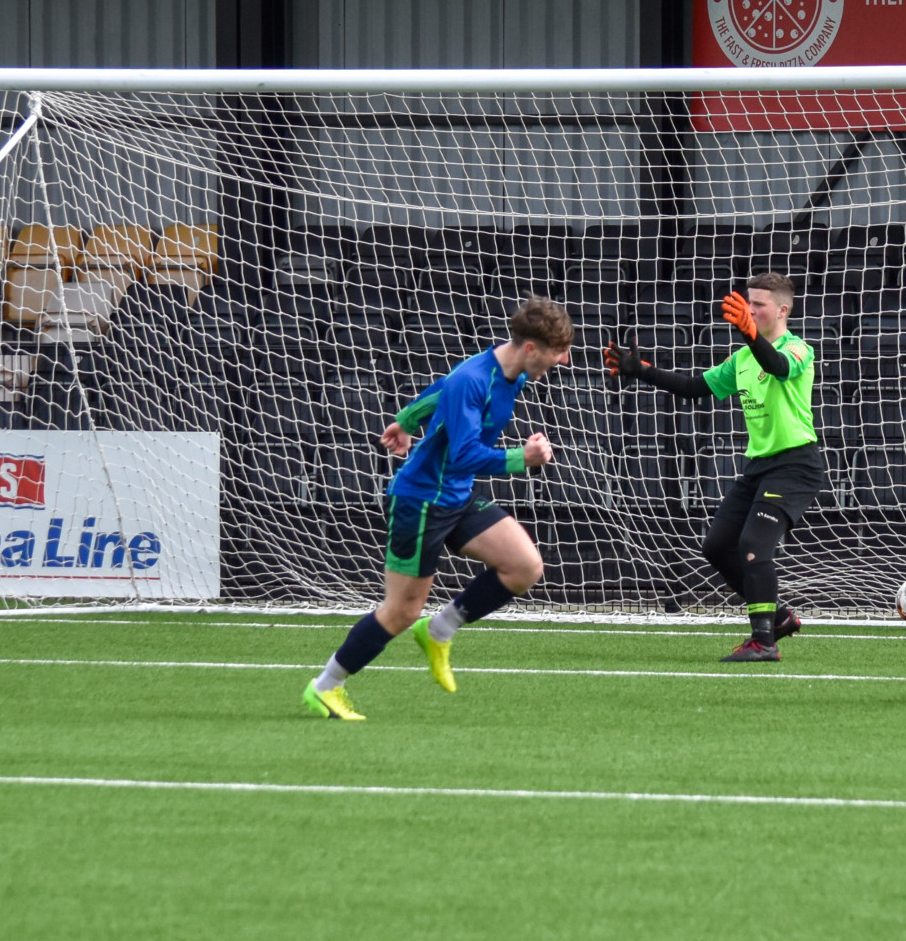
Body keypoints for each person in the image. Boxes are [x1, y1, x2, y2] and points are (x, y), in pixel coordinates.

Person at [302, 296, 575, 720]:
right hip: (420, 501)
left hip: (456, 496)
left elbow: (441, 391)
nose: (565, 359)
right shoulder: (475, 378)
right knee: (400, 611)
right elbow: (465, 453)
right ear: (531, 348)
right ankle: (325, 686)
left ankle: (439, 630)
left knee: (525, 566)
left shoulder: (512, 373)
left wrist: (407, 419)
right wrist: (523, 458)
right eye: (559, 351)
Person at [605, 272, 823, 662]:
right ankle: (779, 617)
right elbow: (694, 389)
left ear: (783, 309)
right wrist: (641, 371)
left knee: (754, 547)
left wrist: (748, 334)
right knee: (717, 546)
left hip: (795, 464)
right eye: (748, 303)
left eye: (758, 304)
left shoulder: (798, 350)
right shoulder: (741, 359)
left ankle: (763, 642)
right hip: (758, 466)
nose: (750, 309)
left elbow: (774, 365)